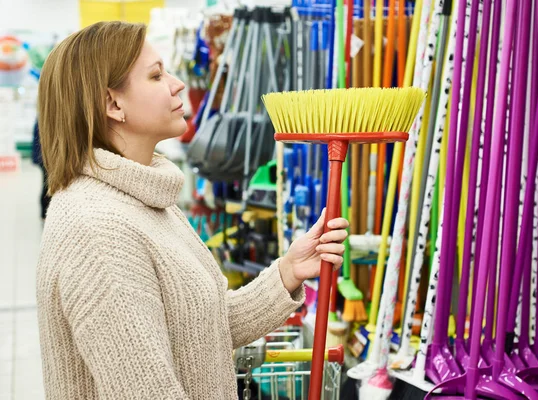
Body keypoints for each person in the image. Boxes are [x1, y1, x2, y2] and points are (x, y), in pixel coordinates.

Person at [36, 21, 348, 400]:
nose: (177, 83)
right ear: (112, 104)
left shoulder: (145, 199)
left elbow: (204, 330)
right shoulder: (97, 230)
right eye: (156, 76)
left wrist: (288, 272)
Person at [31, 120, 51, 219]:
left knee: (46, 185)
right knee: (46, 186)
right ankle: (44, 213)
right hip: (44, 159)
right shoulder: (42, 122)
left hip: (42, 158)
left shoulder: (39, 120)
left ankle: (44, 213)